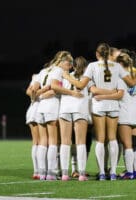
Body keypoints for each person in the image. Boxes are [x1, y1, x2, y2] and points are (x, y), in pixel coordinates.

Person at [62, 43, 136, 181]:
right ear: (109, 54)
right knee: (113, 139)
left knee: (100, 140)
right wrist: (114, 90)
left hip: (99, 106)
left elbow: (80, 85)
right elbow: (132, 83)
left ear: (97, 54)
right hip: (114, 105)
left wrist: (67, 77)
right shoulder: (117, 66)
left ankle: (102, 172)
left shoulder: (92, 66)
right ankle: (113, 172)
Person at [35, 51, 83, 181]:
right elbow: (55, 87)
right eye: (69, 64)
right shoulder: (58, 70)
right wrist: (72, 93)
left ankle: (40, 172)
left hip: (40, 107)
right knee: (53, 142)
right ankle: (51, 173)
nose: (70, 67)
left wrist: (40, 94)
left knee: (43, 142)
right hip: (52, 107)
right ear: (62, 62)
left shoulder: (44, 70)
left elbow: (34, 90)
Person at [59, 56, 90, 181]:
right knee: (80, 142)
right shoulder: (88, 78)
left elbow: (57, 88)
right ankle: (81, 174)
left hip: (65, 108)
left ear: (73, 66)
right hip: (80, 108)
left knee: (65, 142)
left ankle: (65, 174)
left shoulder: (65, 75)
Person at [116, 53, 136, 179]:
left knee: (127, 145)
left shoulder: (120, 77)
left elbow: (119, 95)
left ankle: (129, 173)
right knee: (135, 144)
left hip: (125, 113)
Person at [25, 73, 41, 179]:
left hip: (33, 109)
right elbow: (30, 91)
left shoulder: (39, 75)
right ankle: (40, 171)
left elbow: (29, 91)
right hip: (39, 109)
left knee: (37, 142)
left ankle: (37, 171)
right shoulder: (44, 75)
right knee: (42, 142)